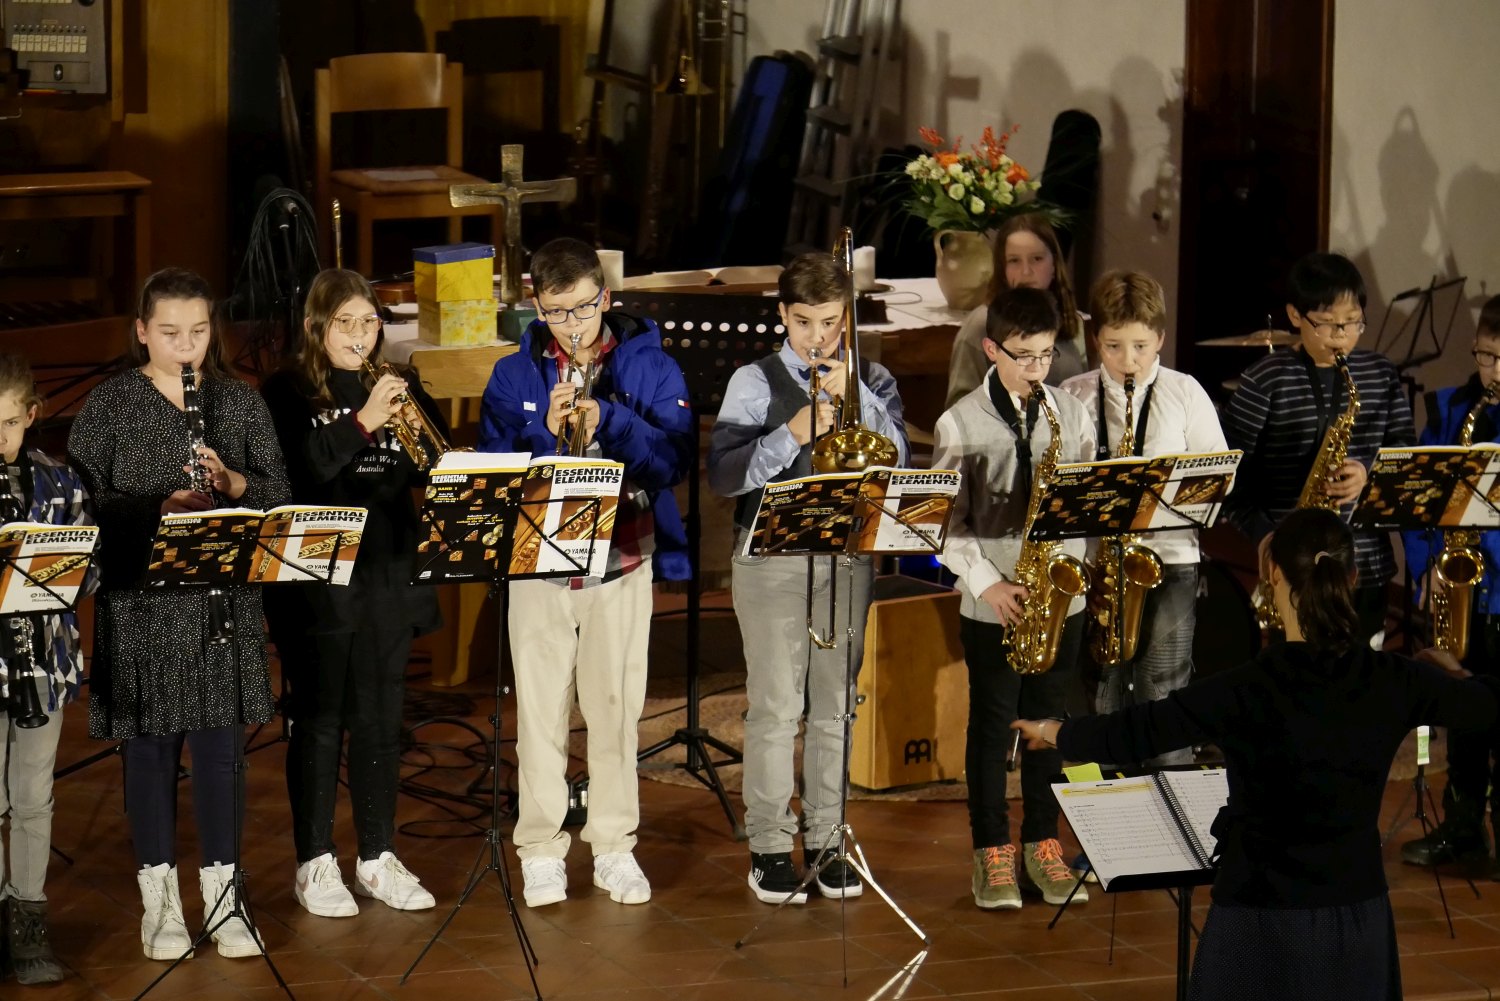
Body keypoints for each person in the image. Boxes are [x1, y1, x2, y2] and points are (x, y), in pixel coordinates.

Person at [1014, 508, 1500, 1000]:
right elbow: (1486, 705)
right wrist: (1453, 675)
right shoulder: (1396, 680)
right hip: (1356, 916)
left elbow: (1134, 732)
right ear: (1353, 578)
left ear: (1273, 575)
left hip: (1257, 917)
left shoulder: (1244, 687)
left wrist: (1055, 731)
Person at [68, 268, 291, 961]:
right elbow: (82, 507)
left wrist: (233, 481)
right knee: (150, 754)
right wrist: (158, 507)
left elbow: (280, 494)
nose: (186, 346)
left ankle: (225, 903)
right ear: (142, 331)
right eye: (170, 333)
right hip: (143, 607)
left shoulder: (238, 401)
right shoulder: (109, 405)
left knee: (223, 758)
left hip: (221, 607)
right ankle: (160, 906)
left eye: (198, 331)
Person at [477, 237, 693, 908]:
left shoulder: (651, 365)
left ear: (606, 296)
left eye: (582, 309)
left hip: (622, 558)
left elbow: (675, 462)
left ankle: (613, 846)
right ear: (535, 306)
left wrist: (613, 421)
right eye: (556, 313)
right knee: (540, 713)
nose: (571, 326)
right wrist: (544, 435)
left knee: (614, 711)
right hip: (537, 564)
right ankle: (542, 849)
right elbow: (492, 470)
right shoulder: (512, 375)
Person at [708, 252, 908, 904]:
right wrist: (793, 431)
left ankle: (827, 839)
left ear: (846, 317)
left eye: (829, 322)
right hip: (771, 560)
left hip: (846, 558)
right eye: (803, 323)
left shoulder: (873, 378)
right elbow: (724, 477)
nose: (817, 337)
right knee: (776, 706)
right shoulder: (754, 381)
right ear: (782, 316)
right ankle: (770, 845)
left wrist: (857, 401)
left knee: (835, 705)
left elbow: (899, 462)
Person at [260, 269, 444, 918]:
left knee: (379, 720)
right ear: (317, 327)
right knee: (318, 721)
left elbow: (434, 463)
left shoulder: (398, 382)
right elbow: (301, 469)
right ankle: (314, 860)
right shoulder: (286, 391)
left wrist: (410, 422)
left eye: (370, 321)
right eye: (346, 323)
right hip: (318, 580)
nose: (361, 334)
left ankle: (377, 854)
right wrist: (365, 421)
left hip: (386, 573)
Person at [933, 286, 1096, 910]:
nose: (1037, 369)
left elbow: (1087, 503)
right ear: (991, 349)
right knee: (992, 726)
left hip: (1058, 601)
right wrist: (989, 583)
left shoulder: (1069, 414)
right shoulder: (960, 422)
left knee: (1048, 727)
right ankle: (992, 853)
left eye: (1046, 355)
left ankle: (1042, 845)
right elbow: (944, 525)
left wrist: (1073, 572)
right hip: (993, 601)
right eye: (1024, 356)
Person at [1061, 270, 1226, 763]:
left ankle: (1168, 799)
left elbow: (1218, 475)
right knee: (1101, 693)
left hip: (1170, 560)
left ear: (1160, 339)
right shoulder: (1073, 394)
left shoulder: (1185, 391)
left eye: (1140, 347)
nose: (1128, 361)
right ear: (1096, 340)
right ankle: (1109, 805)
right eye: (1114, 347)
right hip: (1098, 567)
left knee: (1164, 689)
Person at [1221, 251, 1415, 647]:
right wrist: (1265, 537)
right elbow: (1229, 477)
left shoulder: (1380, 373)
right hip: (1291, 564)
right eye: (1327, 324)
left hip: (1365, 564)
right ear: (1295, 315)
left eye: (1353, 322)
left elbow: (1406, 458)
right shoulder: (1265, 380)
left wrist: (1368, 474)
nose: (1342, 336)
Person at [0, 354, 95, 985]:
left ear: (32, 416)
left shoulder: (59, 482)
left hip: (43, 664)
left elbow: (92, 565)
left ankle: (28, 923)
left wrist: (64, 568)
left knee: (34, 797)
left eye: (9, 423)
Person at [1399, 293, 1500, 874]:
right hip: (1462, 593)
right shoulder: (1449, 409)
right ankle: (1463, 831)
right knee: (1463, 717)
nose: (1492, 371)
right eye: (1485, 356)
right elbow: (1417, 500)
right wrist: (1427, 567)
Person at [945, 214, 1086, 405]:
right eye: (1014, 261)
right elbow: (959, 405)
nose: (1026, 271)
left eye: (1037, 259)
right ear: (1002, 269)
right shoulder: (981, 324)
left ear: (1054, 264)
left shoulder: (1072, 320)